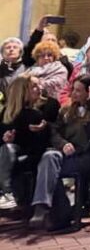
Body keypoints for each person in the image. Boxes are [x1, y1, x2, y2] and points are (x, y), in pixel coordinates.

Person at [29, 73, 90, 231]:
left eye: (79, 91)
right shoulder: (67, 109)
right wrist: (63, 144)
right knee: (48, 158)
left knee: (51, 173)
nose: (74, 94)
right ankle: (42, 206)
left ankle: (61, 214)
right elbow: (55, 132)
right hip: (68, 152)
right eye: (73, 90)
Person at [0, 75, 59, 210]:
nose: (39, 89)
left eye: (39, 85)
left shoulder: (48, 106)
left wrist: (40, 131)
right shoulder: (8, 112)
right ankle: (7, 192)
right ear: (22, 91)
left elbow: (52, 136)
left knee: (9, 151)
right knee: (7, 148)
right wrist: (5, 138)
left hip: (39, 152)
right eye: (34, 86)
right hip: (14, 152)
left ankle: (8, 193)